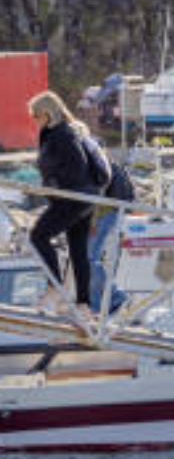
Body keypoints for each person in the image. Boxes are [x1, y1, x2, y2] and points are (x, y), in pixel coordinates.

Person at [28, 91, 101, 315]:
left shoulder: (61, 134)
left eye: (36, 115)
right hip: (84, 198)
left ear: (48, 113)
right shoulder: (68, 131)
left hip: (71, 198)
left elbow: (76, 165)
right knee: (77, 251)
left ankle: (54, 287)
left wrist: (55, 186)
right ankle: (84, 305)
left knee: (37, 236)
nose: (35, 120)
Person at [88, 154, 136, 314]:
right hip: (113, 212)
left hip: (106, 213)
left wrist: (92, 222)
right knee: (90, 259)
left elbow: (96, 195)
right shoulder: (104, 160)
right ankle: (99, 303)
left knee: (89, 259)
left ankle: (115, 296)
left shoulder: (92, 163)